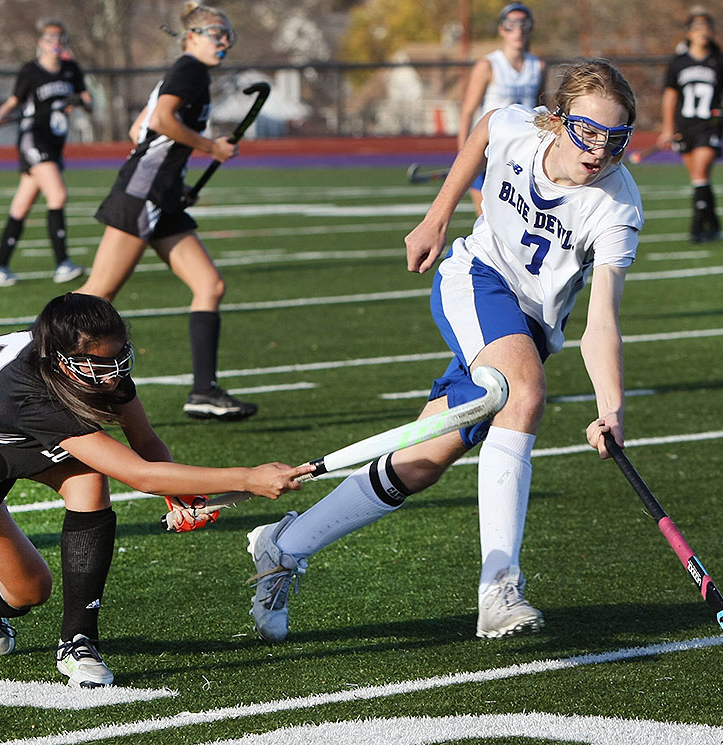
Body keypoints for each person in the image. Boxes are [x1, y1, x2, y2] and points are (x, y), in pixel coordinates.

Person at [244, 58, 643, 644]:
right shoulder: (518, 128)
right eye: (587, 132)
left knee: (421, 460)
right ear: (558, 123)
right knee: (521, 393)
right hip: (476, 279)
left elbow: (602, 320)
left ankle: (283, 546)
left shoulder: (618, 206)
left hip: (530, 326)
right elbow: (483, 130)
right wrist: (436, 217)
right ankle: (498, 588)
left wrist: (612, 407)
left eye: (616, 139)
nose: (599, 151)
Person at [0, 293, 311, 687]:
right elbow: (141, 475)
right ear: (62, 363)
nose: (115, 375)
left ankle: (77, 642)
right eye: (102, 365)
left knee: (88, 480)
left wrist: (181, 495)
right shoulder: (32, 393)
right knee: (30, 590)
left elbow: (146, 442)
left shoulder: (89, 358)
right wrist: (246, 478)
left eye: (121, 358)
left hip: (6, 430)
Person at [79, 2, 255, 422]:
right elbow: (159, 119)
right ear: (192, 37)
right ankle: (29, 365)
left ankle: (203, 392)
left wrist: (175, 185)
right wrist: (212, 147)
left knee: (209, 285)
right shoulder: (189, 69)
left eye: (227, 33)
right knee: (96, 296)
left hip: (162, 196)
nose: (225, 40)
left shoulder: (188, 74)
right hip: (143, 194)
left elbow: (136, 129)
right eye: (216, 32)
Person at [0, 18, 93, 288]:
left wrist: (78, 101)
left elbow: (88, 100)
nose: (55, 43)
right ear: (40, 43)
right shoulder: (30, 71)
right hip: (33, 139)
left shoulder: (71, 69)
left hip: (55, 143)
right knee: (58, 194)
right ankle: (62, 263)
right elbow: (14, 100)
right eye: (49, 38)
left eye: (59, 37)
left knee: (21, 206)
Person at [656, 8, 723, 243]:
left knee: (701, 170)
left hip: (710, 125)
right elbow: (670, 96)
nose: (703, 33)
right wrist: (667, 128)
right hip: (686, 126)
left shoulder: (720, 61)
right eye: (698, 28)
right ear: (689, 33)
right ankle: (712, 223)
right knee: (698, 177)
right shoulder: (678, 63)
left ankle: (696, 227)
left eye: (707, 28)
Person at [457, 2, 545, 216]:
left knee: (519, 220)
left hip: (523, 152)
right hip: (489, 148)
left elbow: (543, 109)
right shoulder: (488, 66)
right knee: (487, 220)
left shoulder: (539, 67)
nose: (518, 30)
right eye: (511, 24)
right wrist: (463, 156)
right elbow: (468, 112)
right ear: (501, 30)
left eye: (524, 24)